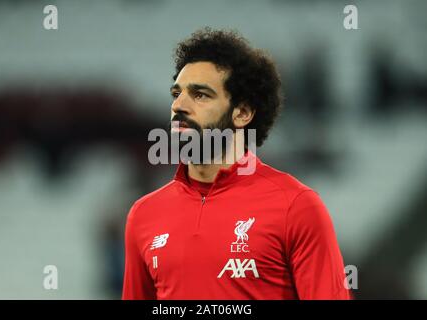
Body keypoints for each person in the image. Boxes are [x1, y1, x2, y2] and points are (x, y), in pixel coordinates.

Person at [122, 27, 351, 300]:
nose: (179, 105)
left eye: (200, 95)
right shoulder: (144, 215)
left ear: (241, 113)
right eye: (176, 93)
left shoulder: (296, 207)